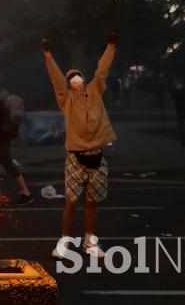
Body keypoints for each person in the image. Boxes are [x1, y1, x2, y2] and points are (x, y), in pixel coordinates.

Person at [43, 33, 117, 260]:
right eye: (70, 76)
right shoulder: (66, 99)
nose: (74, 76)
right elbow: (56, 78)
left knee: (92, 202)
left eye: (77, 74)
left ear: (83, 79)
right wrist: (47, 55)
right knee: (72, 202)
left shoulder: (95, 91)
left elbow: (102, 70)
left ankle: (89, 242)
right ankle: (64, 242)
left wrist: (111, 46)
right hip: (76, 157)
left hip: (97, 155)